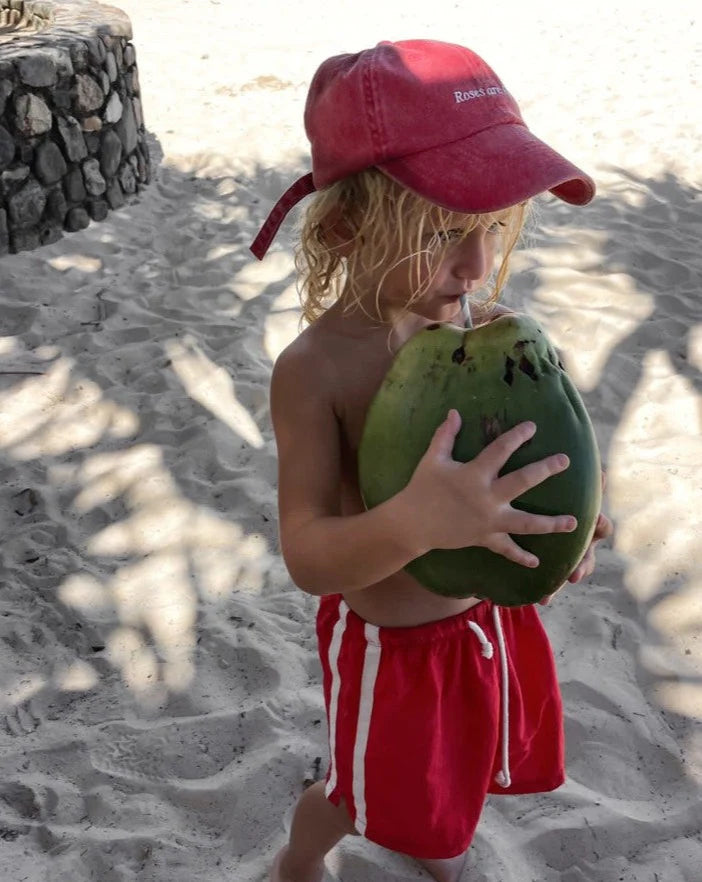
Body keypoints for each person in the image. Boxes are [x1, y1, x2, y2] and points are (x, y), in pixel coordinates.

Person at [250, 39, 613, 882]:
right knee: (354, 793)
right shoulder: (315, 372)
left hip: (486, 624)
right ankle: (298, 863)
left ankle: (427, 838)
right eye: (445, 232)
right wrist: (414, 521)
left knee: (455, 772)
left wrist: (573, 524)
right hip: (392, 650)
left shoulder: (476, 333)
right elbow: (307, 554)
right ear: (346, 227)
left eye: (489, 227)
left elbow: (530, 462)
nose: (478, 265)